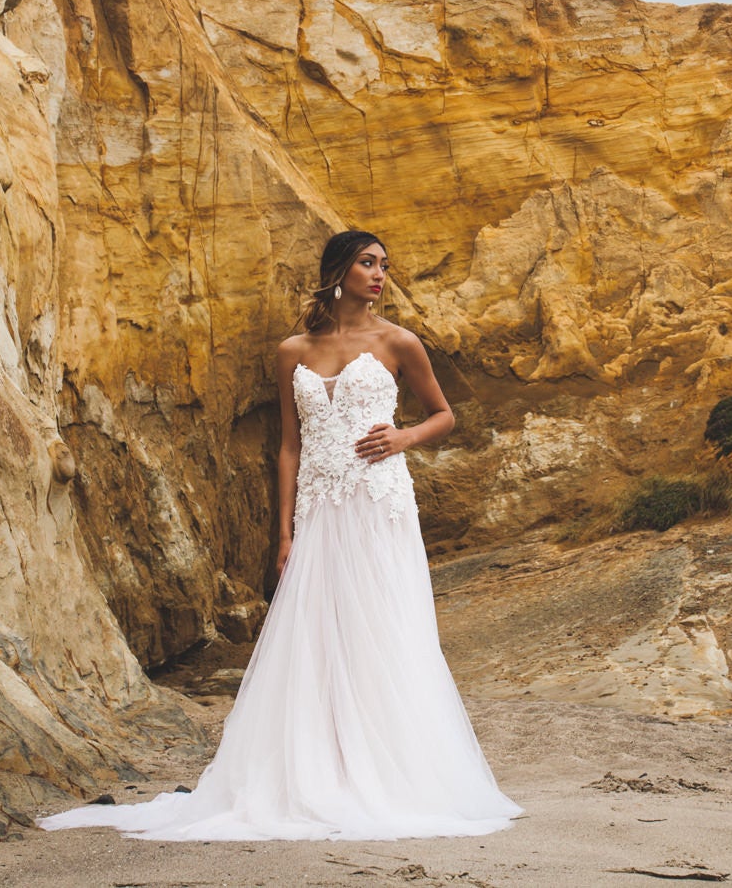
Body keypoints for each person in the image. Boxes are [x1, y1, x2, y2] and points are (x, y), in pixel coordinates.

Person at [38, 229, 523, 840]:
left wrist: (403, 437)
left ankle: (393, 769)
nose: (379, 275)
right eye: (368, 263)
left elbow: (445, 415)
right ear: (339, 271)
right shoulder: (292, 349)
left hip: (378, 504)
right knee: (318, 632)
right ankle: (321, 766)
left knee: (382, 624)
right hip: (320, 508)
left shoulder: (399, 342)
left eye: (384, 266)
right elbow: (288, 447)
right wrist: (284, 532)